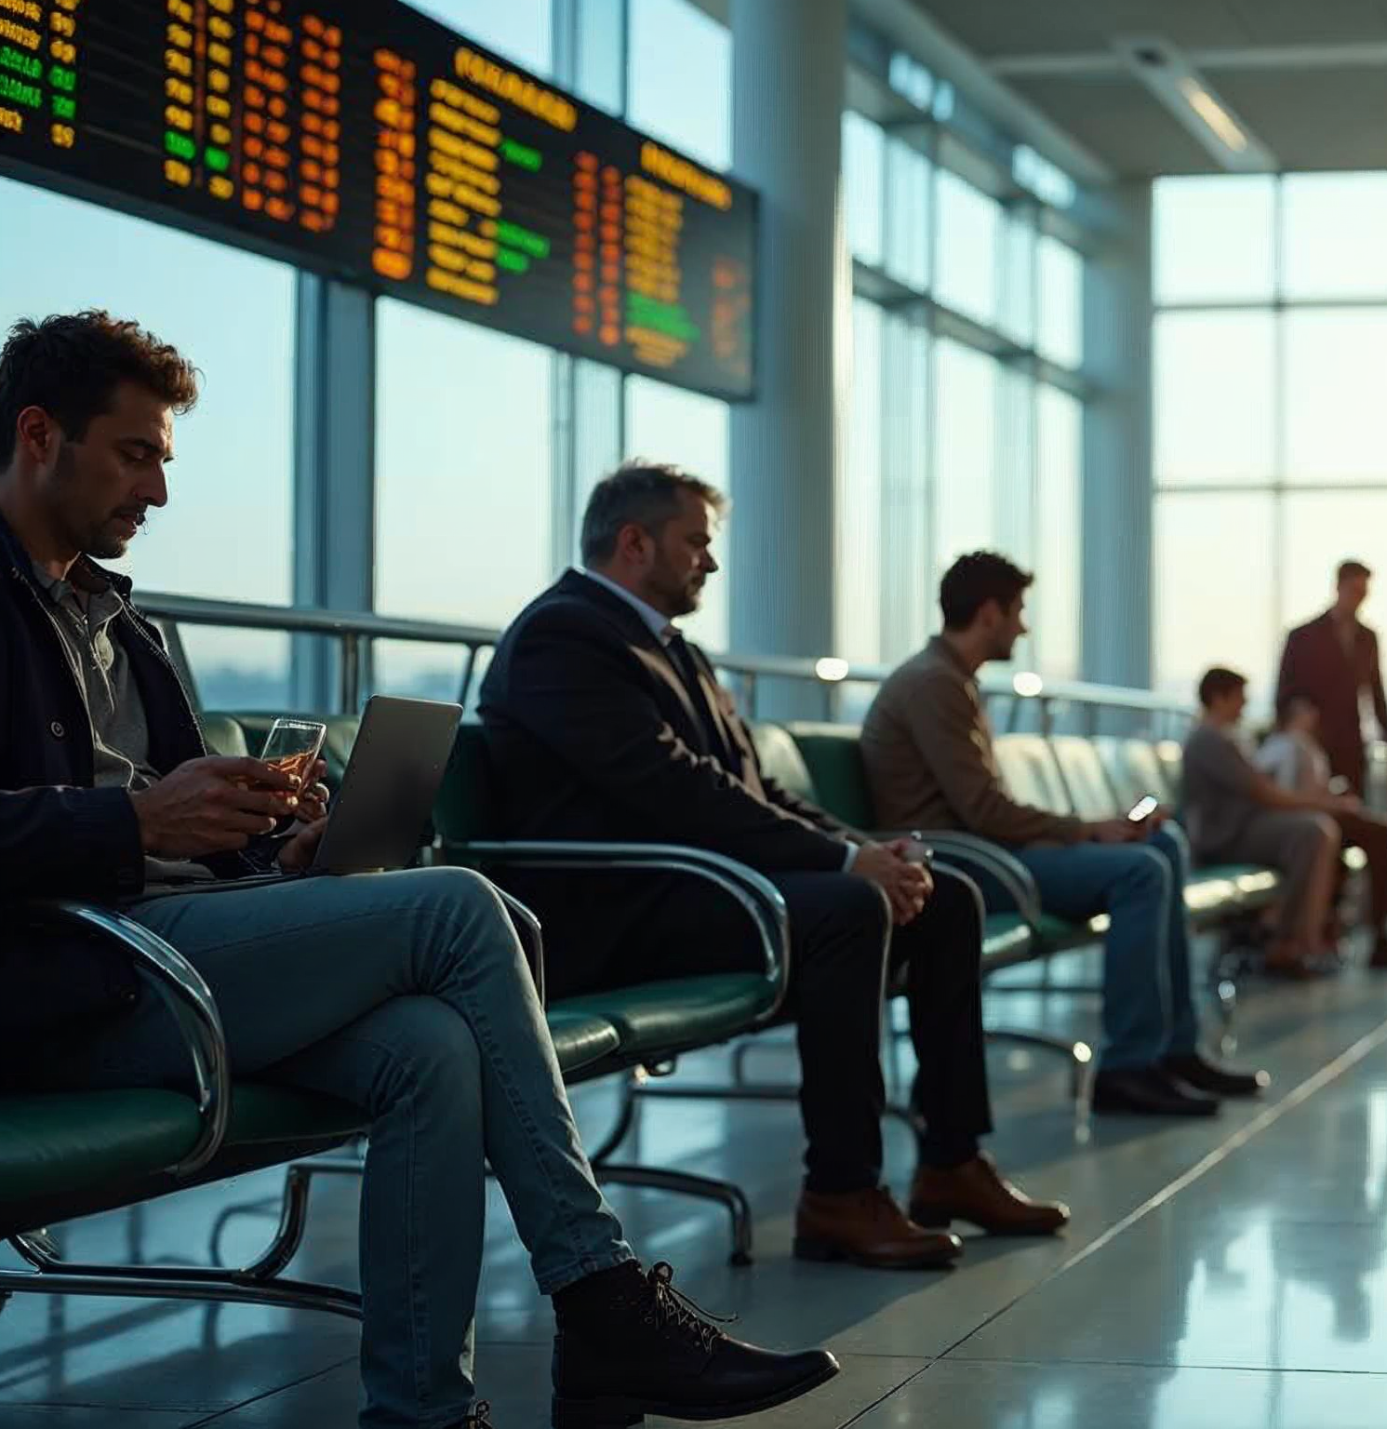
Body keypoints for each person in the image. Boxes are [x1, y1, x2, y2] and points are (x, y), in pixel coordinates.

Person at [0, 311, 836, 1429]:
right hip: (73, 975)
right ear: (40, 433)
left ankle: (424, 1414)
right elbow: (124, 824)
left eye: (163, 458)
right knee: (459, 906)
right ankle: (600, 1296)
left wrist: (268, 836)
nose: (157, 492)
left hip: (185, 950)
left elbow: (176, 819)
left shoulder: (128, 625)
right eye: (137, 453)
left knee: (432, 1049)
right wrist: (128, 821)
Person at [477, 464, 1067, 1273]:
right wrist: (843, 862)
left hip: (694, 886)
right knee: (846, 911)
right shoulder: (562, 636)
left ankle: (952, 1162)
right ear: (634, 542)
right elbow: (672, 791)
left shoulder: (670, 648)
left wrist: (870, 850)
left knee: (948, 899)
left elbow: (753, 788)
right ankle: (841, 1192)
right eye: (696, 544)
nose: (709, 564)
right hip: (615, 906)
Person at [862, 552, 1268, 1117]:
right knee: (1141, 871)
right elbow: (983, 810)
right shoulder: (935, 686)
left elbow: (985, 806)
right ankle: (1128, 1066)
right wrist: (1086, 830)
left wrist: (1094, 831)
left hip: (990, 851)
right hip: (965, 866)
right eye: (1018, 612)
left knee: (1162, 844)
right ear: (988, 613)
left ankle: (1174, 1049)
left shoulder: (950, 681)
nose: (1023, 627)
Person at [1183, 668, 1355, 976]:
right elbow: (1263, 792)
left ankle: (1297, 937)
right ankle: (1287, 940)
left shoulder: (1225, 738)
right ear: (1219, 698)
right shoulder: (1208, 740)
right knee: (1313, 832)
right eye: (1239, 698)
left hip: (1243, 830)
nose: (1245, 706)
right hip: (1225, 840)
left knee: (1314, 831)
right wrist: (1322, 802)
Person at [1259, 692, 1387, 968]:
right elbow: (1286, 798)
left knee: (1363, 841)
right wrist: (1332, 803)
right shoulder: (1285, 748)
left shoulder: (1300, 746)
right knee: (1379, 835)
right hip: (1307, 822)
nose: (1315, 716)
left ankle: (1344, 930)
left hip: (1316, 817)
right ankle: (1373, 933)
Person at [1275, 559, 1387, 799]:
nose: (1360, 598)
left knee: (1354, 812)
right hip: (1312, 742)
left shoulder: (1367, 639)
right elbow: (1284, 692)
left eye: (1364, 592)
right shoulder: (1303, 637)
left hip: (1352, 743)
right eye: (1355, 591)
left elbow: (1376, 691)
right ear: (1338, 587)